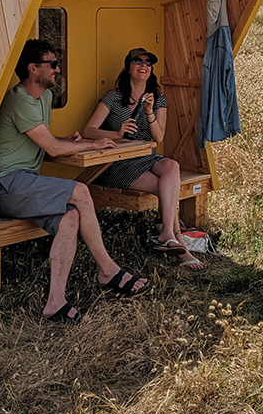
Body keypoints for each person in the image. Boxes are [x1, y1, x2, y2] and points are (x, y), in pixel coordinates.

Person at [0, 38, 148, 322]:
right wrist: (90, 145)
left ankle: (54, 303)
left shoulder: (43, 98)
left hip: (26, 183)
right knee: (81, 191)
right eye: (52, 64)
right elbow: (54, 150)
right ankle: (107, 270)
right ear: (33, 69)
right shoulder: (19, 100)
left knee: (70, 219)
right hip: (4, 185)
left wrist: (66, 140)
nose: (58, 69)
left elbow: (46, 141)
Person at [83, 47, 206, 272]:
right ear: (128, 67)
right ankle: (177, 243)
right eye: (138, 61)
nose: (143, 66)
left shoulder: (157, 98)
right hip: (117, 161)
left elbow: (158, 137)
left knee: (172, 166)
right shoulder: (114, 97)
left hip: (146, 157)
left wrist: (149, 112)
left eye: (148, 63)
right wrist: (117, 134)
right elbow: (89, 130)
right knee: (167, 187)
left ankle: (168, 234)